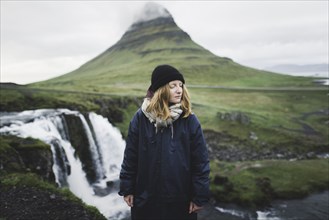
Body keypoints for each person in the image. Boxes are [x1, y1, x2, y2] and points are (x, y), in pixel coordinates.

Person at [118, 64, 210, 220]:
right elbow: (131, 156)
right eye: (172, 85)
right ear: (160, 89)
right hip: (145, 199)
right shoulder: (140, 118)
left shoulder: (189, 120)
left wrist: (199, 196)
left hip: (180, 201)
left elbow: (200, 162)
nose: (179, 89)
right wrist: (128, 189)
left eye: (180, 85)